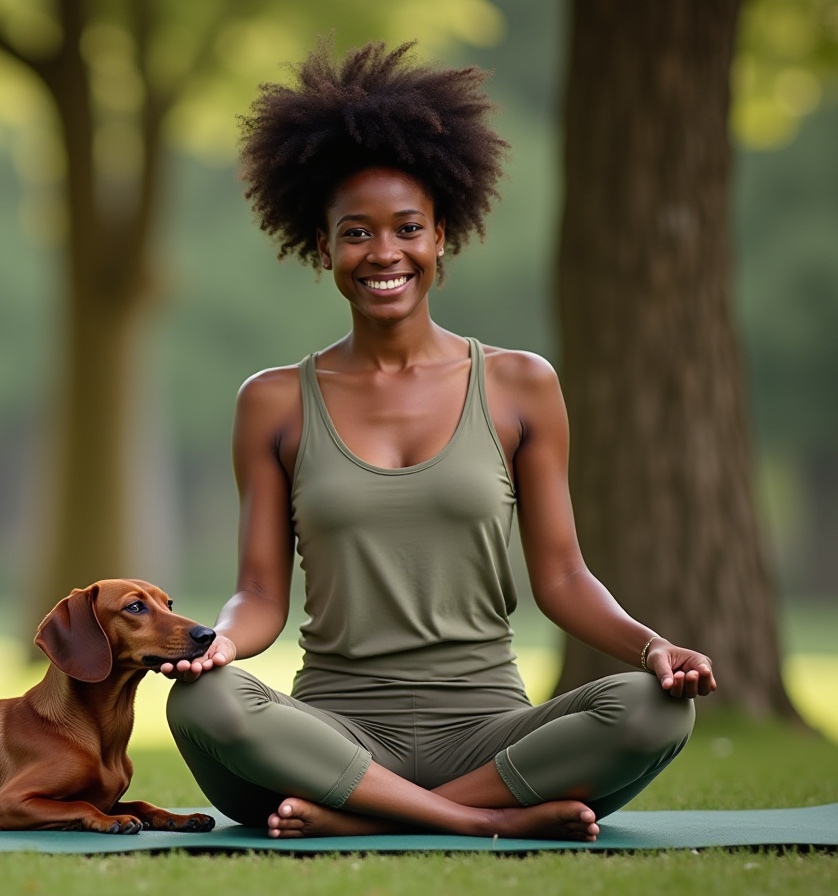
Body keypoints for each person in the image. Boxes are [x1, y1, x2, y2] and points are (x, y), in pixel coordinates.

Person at [160, 41, 716, 842]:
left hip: (490, 731)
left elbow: (561, 576)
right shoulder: (274, 402)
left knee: (653, 709)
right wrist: (217, 646)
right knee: (204, 702)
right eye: (356, 233)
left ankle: (361, 818)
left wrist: (654, 646)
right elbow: (260, 595)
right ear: (322, 249)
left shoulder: (521, 386)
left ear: (442, 236)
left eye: (407, 228)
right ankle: (479, 820)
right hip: (334, 734)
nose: (383, 253)